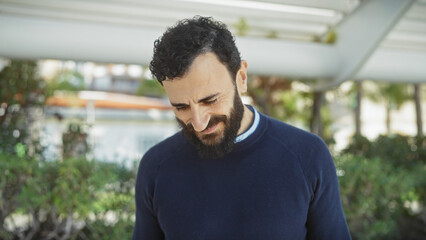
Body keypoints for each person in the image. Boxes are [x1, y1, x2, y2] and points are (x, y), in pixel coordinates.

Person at [132, 16, 351, 240]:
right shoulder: (156, 167)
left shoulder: (307, 156)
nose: (198, 122)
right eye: (181, 107)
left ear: (241, 78)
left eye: (210, 100)